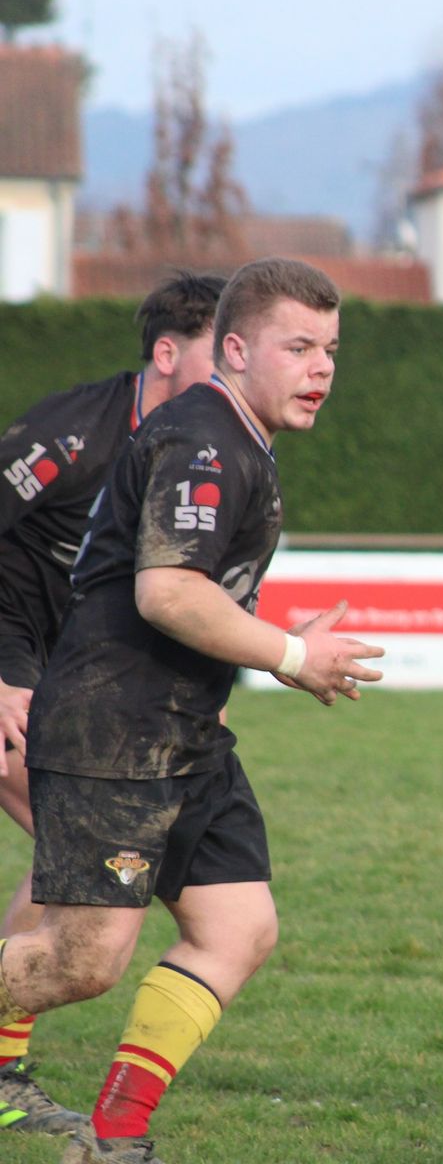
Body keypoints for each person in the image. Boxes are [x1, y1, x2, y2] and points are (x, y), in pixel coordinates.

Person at [0, 257, 386, 1164]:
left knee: (238, 930)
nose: (322, 368)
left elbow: (194, 595)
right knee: (81, 962)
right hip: (113, 735)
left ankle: (113, 1140)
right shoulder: (204, 441)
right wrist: (292, 654)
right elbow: (168, 592)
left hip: (182, 734)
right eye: (299, 347)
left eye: (330, 350)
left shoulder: (238, 436)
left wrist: (281, 647)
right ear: (236, 349)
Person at [0, 272, 223, 1137]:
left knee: (66, 860)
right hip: (14, 669)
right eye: (219, 351)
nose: (235, 370)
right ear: (167, 353)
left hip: (70, 685)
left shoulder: (197, 447)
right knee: (75, 856)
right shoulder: (73, 433)